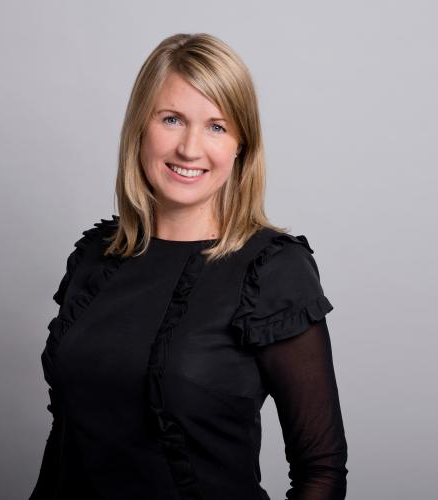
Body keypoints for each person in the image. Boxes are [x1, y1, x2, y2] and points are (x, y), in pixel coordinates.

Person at [29, 32, 348, 500]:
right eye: (172, 119)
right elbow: (67, 444)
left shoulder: (273, 270)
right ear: (140, 127)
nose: (190, 148)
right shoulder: (95, 257)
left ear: (241, 145)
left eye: (217, 126)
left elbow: (321, 470)